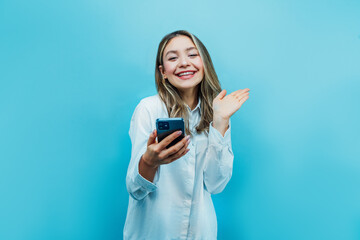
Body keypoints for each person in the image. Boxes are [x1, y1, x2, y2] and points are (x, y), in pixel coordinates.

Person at [123, 30, 250, 240]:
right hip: (153, 233)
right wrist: (149, 161)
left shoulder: (217, 111)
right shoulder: (148, 108)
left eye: (192, 54)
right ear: (163, 71)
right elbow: (135, 189)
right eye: (173, 58)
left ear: (204, 63)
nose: (184, 63)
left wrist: (220, 122)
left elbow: (216, 184)